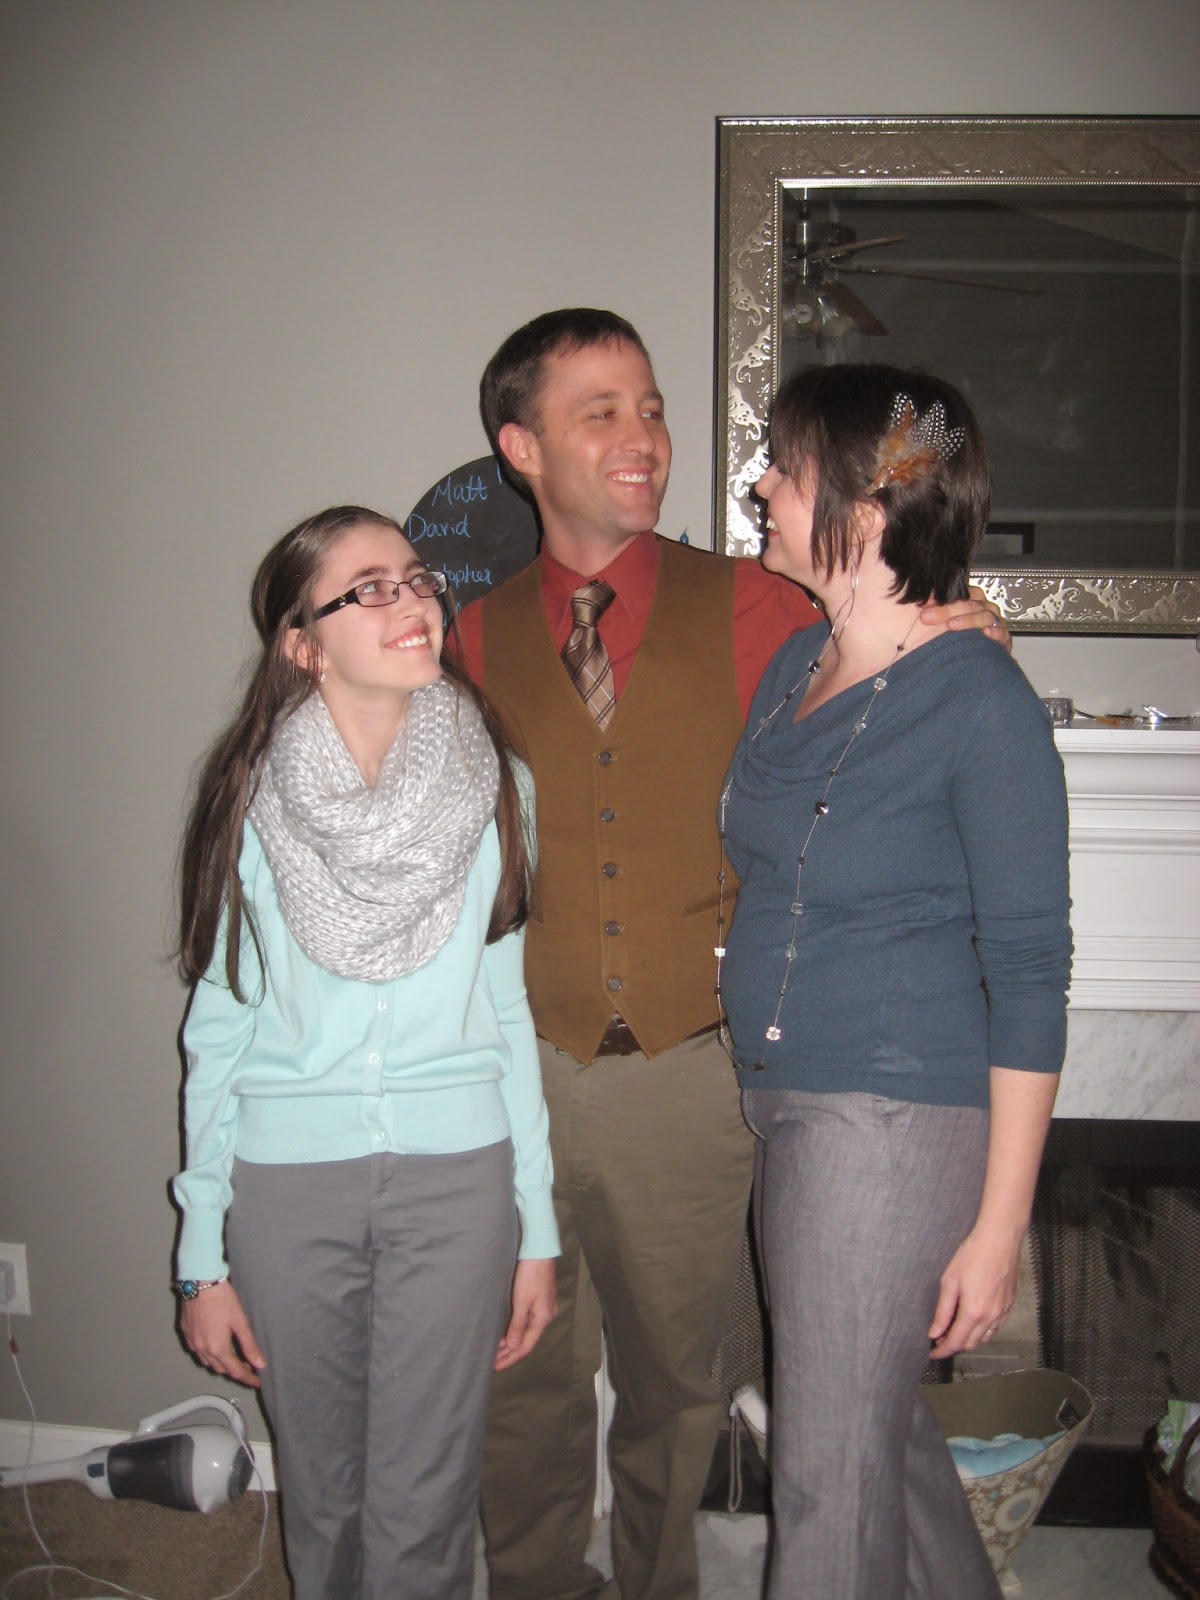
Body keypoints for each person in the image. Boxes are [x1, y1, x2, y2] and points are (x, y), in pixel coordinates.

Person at [452, 309, 1012, 1600]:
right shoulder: (467, 639)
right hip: (512, 1074)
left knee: (677, 1392)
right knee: (518, 1380)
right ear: (521, 447)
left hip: (692, 1079)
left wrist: (968, 618)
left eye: (651, 406)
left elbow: (897, 627)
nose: (644, 435)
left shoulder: (763, 600)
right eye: (602, 410)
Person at [718, 364, 1071, 1599]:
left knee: (824, 1480)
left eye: (786, 466)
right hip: (790, 1099)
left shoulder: (980, 701)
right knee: (874, 1433)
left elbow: (1031, 969)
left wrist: (1000, 1229)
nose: (762, 485)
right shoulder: (793, 666)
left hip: (886, 1117)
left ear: (863, 514)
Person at [172, 505, 559, 1599]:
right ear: (305, 645)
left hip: (458, 1179)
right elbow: (219, 1026)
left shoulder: (498, 783)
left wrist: (536, 1227)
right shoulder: (251, 797)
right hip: (289, 1185)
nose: (412, 600)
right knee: (323, 1485)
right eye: (370, 588)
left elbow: (505, 1010)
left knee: (425, 1494)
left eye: (417, 577)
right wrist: (201, 1253)